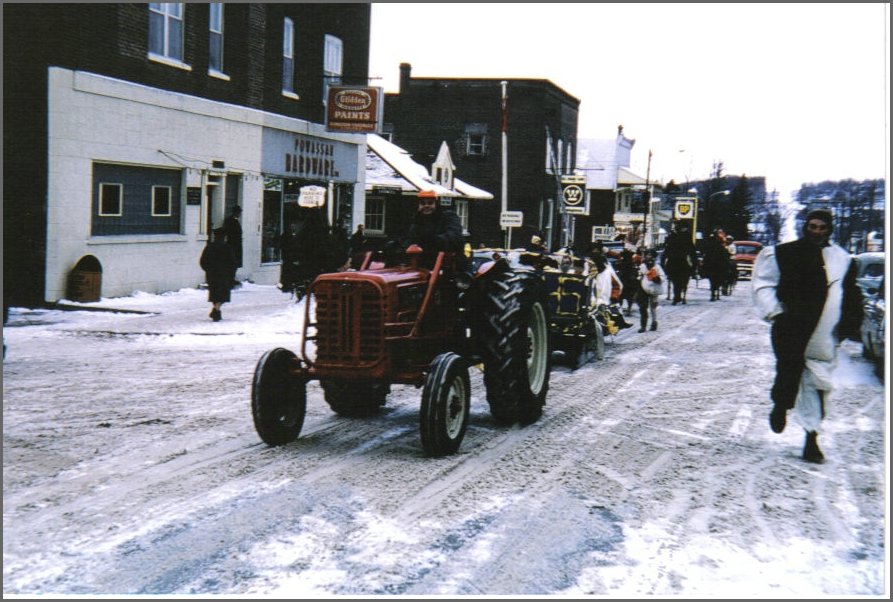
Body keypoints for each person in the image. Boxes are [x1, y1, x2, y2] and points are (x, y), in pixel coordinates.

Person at [752, 208, 863, 463]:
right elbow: (764, 284)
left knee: (819, 384)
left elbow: (851, 296)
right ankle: (781, 405)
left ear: (829, 229)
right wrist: (776, 312)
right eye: (813, 226)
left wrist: (848, 326)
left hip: (825, 333)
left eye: (822, 228)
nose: (817, 232)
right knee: (789, 371)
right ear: (806, 226)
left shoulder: (842, 259)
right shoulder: (784, 253)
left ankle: (811, 438)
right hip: (791, 328)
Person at [404, 191, 464, 266]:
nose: (426, 206)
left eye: (430, 203)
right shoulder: (417, 221)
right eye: (423, 203)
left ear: (436, 204)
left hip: (447, 263)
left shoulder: (448, 217)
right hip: (422, 262)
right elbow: (410, 238)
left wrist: (432, 240)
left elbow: (454, 236)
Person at [200, 227, 237, 322]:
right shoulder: (227, 247)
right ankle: (216, 311)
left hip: (212, 274)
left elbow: (203, 261)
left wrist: (208, 270)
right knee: (222, 294)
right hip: (224, 275)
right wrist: (231, 274)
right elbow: (233, 263)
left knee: (214, 293)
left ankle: (216, 311)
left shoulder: (209, 247)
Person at [662, 220, 697, 305]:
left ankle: (677, 295)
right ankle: (677, 295)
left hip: (679, 259)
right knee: (676, 278)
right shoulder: (674, 235)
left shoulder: (682, 235)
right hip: (677, 259)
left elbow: (690, 249)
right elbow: (667, 247)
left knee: (678, 278)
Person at [635, 249, 666, 332]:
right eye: (647, 255)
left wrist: (656, 278)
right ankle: (643, 326)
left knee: (653, 307)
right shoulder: (642, 266)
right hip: (643, 288)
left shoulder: (657, 267)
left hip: (654, 289)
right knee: (643, 307)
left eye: (651, 255)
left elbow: (663, 277)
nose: (649, 257)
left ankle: (654, 322)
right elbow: (639, 276)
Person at [223, 205, 243, 286]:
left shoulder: (235, 220)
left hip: (236, 244)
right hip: (233, 244)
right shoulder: (230, 220)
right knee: (232, 262)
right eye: (239, 212)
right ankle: (230, 279)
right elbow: (229, 232)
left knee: (235, 262)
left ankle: (232, 278)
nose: (240, 214)